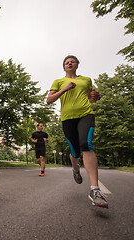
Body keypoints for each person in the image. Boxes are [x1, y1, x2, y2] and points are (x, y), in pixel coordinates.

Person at [46, 55, 108, 208]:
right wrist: (65, 89)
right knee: (75, 151)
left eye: (72, 61)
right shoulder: (59, 82)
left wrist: (95, 97)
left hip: (86, 115)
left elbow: (90, 98)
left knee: (85, 144)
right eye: (67, 62)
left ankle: (95, 189)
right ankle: (75, 168)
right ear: (64, 66)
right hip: (67, 119)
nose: (69, 63)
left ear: (77, 65)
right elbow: (49, 100)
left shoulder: (86, 80)